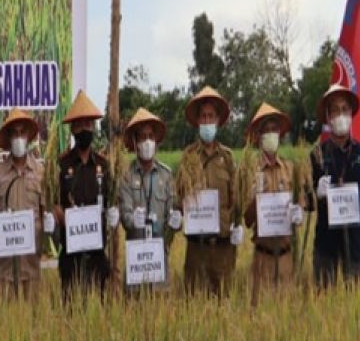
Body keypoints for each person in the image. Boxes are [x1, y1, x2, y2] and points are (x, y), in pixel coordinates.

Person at [176, 86, 242, 296]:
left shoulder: (228, 158)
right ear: (197, 122)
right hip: (196, 249)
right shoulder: (188, 157)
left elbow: (236, 198)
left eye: (210, 116)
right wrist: (177, 213)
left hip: (222, 248)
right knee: (194, 307)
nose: (207, 121)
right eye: (203, 117)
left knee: (223, 306)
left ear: (218, 120)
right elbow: (179, 196)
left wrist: (237, 225)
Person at [53, 90, 115, 303]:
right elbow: (53, 202)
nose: (84, 129)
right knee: (71, 314)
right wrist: (57, 213)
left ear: (94, 127)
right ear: (72, 129)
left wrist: (113, 213)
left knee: (98, 315)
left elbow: (110, 200)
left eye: (88, 124)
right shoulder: (61, 166)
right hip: (71, 256)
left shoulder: (104, 166)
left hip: (97, 254)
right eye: (79, 125)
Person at [242, 103, 306, 301]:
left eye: (274, 130)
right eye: (266, 131)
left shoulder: (290, 169)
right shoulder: (250, 171)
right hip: (262, 259)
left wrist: (299, 213)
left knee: (286, 318)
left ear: (280, 134)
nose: (270, 134)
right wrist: (256, 198)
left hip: (287, 258)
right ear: (259, 137)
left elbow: (300, 208)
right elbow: (247, 219)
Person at [0, 109, 50, 298]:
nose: (19, 137)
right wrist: (1, 223)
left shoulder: (40, 173)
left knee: (34, 325)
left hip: (31, 268)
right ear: (8, 138)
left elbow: (46, 213)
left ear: (29, 137)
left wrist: (49, 222)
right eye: (14, 133)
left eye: (22, 132)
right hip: (5, 271)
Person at [117, 108, 181, 291]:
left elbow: (173, 212)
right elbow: (125, 216)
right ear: (135, 143)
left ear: (156, 141)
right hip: (136, 260)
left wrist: (176, 222)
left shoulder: (166, 175)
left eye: (150, 137)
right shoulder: (126, 176)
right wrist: (132, 220)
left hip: (160, 258)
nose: (147, 142)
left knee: (160, 313)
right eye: (142, 137)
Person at [310, 83, 360, 287]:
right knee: (325, 307)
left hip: (357, 246)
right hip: (326, 246)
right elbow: (306, 201)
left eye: (344, 110)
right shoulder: (316, 155)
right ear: (328, 117)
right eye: (335, 110)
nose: (340, 115)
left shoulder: (359, 152)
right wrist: (316, 194)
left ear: (350, 114)